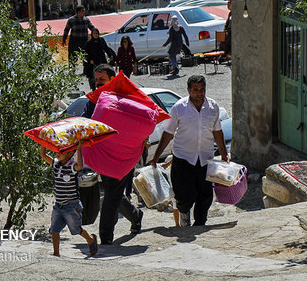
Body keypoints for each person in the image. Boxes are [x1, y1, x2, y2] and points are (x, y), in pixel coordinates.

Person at [149, 75, 229, 227]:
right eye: (195, 90)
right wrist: (156, 157)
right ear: (188, 90)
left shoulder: (213, 106)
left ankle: (200, 224)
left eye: (202, 90)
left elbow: (217, 131)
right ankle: (184, 215)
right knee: (184, 196)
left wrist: (224, 154)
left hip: (205, 158)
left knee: (205, 196)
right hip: (183, 158)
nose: (199, 93)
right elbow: (168, 133)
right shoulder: (179, 107)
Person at [81, 64, 144, 245]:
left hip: (123, 155)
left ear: (112, 80)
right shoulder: (93, 101)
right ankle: (136, 215)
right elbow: (86, 123)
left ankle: (106, 237)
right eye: (96, 80)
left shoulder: (123, 100)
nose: (97, 83)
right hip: (102, 156)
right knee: (113, 192)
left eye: (102, 80)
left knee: (111, 195)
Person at [39, 141, 98, 257]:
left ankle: (90, 240)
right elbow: (43, 155)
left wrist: (79, 149)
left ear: (70, 153)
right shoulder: (55, 164)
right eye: (56, 150)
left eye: (61, 151)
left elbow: (79, 166)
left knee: (76, 229)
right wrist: (44, 143)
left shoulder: (71, 166)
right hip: (58, 205)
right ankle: (56, 253)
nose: (57, 153)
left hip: (71, 205)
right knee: (54, 230)